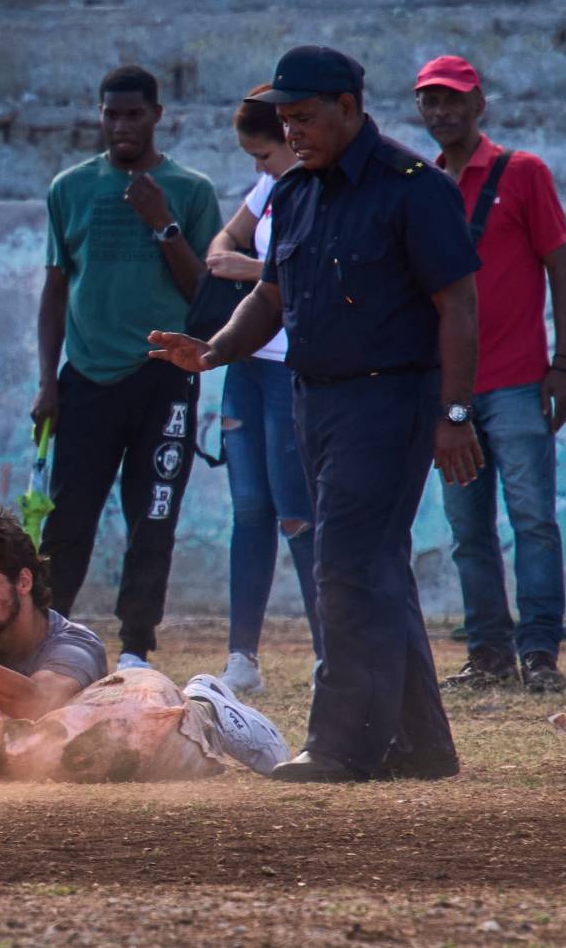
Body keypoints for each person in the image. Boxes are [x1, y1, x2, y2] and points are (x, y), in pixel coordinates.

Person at [151, 45, 482, 783]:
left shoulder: (412, 187)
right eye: (284, 118)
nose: (291, 130)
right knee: (375, 567)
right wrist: (212, 350)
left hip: (390, 399)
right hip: (315, 401)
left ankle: (342, 746)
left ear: (349, 107)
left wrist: (455, 411)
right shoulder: (293, 194)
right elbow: (270, 299)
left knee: (345, 566)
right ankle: (423, 745)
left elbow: (457, 303)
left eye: (303, 117)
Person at [34, 65, 223, 671]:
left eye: (134, 114)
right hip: (86, 378)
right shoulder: (69, 188)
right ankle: (46, 638)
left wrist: (162, 223)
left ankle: (136, 647)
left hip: (164, 375)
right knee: (67, 521)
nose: (121, 125)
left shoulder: (190, 191)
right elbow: (56, 289)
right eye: (111, 114)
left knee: (153, 517)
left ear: (157, 115)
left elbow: (205, 294)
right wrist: (47, 381)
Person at [414, 55, 566, 695]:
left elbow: (560, 271)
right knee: (467, 530)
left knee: (533, 520)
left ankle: (539, 654)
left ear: (479, 104)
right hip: (452, 390)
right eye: (431, 102)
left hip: (517, 380)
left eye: (454, 100)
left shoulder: (523, 172)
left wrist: (561, 365)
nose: (443, 112)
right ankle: (488, 655)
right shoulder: (423, 183)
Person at [0, 507, 287, 774]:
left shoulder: (73, 645)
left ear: (23, 581)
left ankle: (205, 710)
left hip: (94, 728)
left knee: (127, 720)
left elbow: (37, 703)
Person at [203, 92, 323, 695]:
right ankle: (242, 658)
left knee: (297, 512)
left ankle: (329, 651)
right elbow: (221, 247)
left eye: (263, 154)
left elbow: (298, 272)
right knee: (249, 509)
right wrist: (261, 267)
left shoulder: (317, 188)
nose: (259, 167)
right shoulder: (272, 187)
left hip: (284, 366)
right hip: (246, 361)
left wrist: (259, 271)